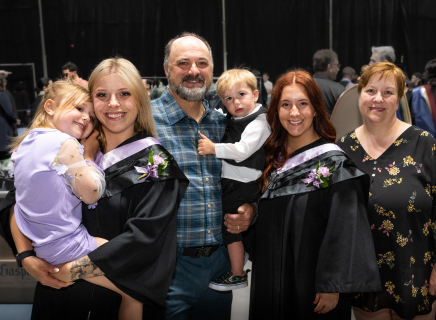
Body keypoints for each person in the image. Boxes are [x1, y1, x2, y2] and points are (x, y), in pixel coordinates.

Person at [0, 57, 189, 319]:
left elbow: (145, 240)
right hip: (58, 295)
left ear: (140, 98)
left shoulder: (155, 164)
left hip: (113, 295)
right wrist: (26, 256)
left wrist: (68, 270)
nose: (113, 104)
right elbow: (16, 200)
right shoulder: (67, 147)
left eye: (125, 93)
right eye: (102, 94)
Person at [250, 69, 381, 320]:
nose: (294, 113)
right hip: (269, 276)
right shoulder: (270, 159)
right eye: (285, 105)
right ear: (276, 110)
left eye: (303, 104)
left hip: (313, 287)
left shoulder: (334, 163)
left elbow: (346, 228)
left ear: (316, 109)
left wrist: (332, 285)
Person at [337, 62, 436, 320]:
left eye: (388, 92)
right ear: (359, 94)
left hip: (418, 272)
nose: (378, 99)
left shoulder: (423, 143)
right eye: (371, 90)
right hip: (365, 276)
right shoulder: (343, 149)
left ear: (399, 98)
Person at [151, 32, 256, 319]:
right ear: (166, 70)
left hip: (220, 265)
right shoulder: (145, 122)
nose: (194, 71)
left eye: (202, 63)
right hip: (168, 268)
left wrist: (251, 210)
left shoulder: (226, 124)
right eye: (183, 63)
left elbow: (247, 180)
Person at [197, 69, 271, 291]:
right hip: (234, 181)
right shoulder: (236, 118)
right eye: (229, 98)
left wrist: (213, 149)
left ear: (255, 95)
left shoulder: (260, 120)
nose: (235, 102)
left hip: (242, 183)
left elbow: (243, 150)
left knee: (230, 228)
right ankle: (240, 257)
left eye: (241, 95)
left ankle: (238, 273)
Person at [312, 49, 344, 115]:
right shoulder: (338, 89)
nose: (338, 69)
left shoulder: (302, 86)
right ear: (330, 67)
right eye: (337, 65)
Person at [0, 77, 19, 161]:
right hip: (3, 130)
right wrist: (15, 120)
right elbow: (9, 112)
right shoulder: (2, 95)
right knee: (6, 159)